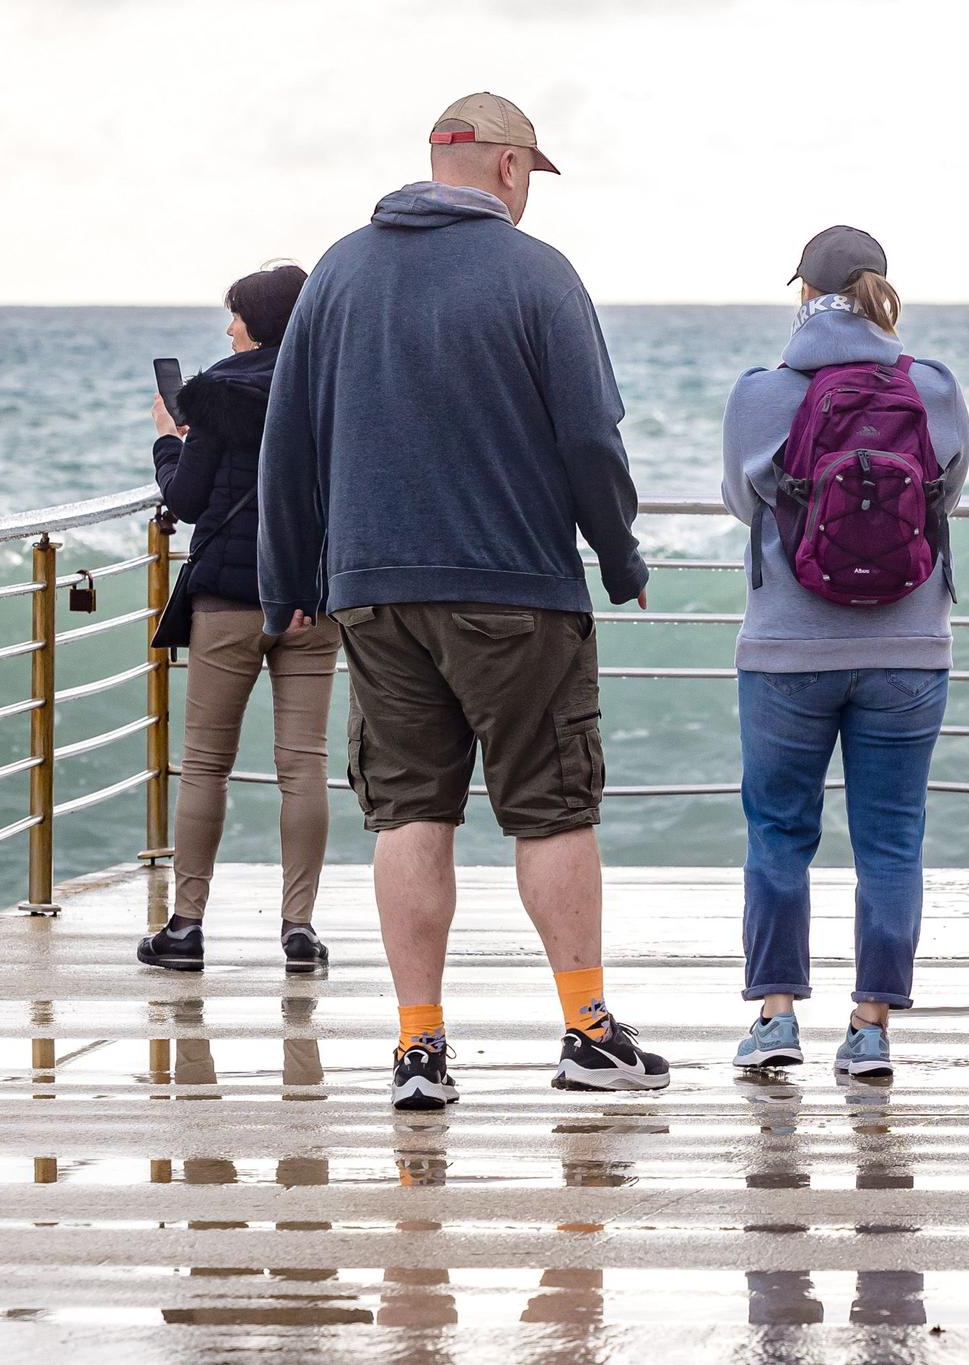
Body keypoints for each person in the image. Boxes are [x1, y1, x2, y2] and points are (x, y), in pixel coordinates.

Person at [258, 92, 668, 1109]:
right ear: (511, 168)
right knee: (550, 811)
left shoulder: (339, 271)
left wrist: (289, 582)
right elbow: (588, 443)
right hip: (514, 591)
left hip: (372, 595)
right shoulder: (538, 275)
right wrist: (618, 555)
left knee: (408, 814)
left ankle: (418, 1049)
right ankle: (583, 1032)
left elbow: (288, 445)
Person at [720, 226, 969, 1080]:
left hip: (787, 649)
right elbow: (947, 494)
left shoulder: (759, 393)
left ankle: (777, 1015)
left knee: (780, 832)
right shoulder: (932, 387)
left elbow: (739, 501)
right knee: (892, 838)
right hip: (909, 649)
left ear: (805, 296)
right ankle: (870, 1027)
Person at [137, 263, 340, 975]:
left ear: (257, 319)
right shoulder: (330, 384)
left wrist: (169, 438)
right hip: (312, 599)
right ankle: (299, 930)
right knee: (303, 764)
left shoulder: (217, 391)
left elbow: (187, 500)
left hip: (227, 595)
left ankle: (187, 927)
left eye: (235, 315)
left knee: (205, 764)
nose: (227, 329)